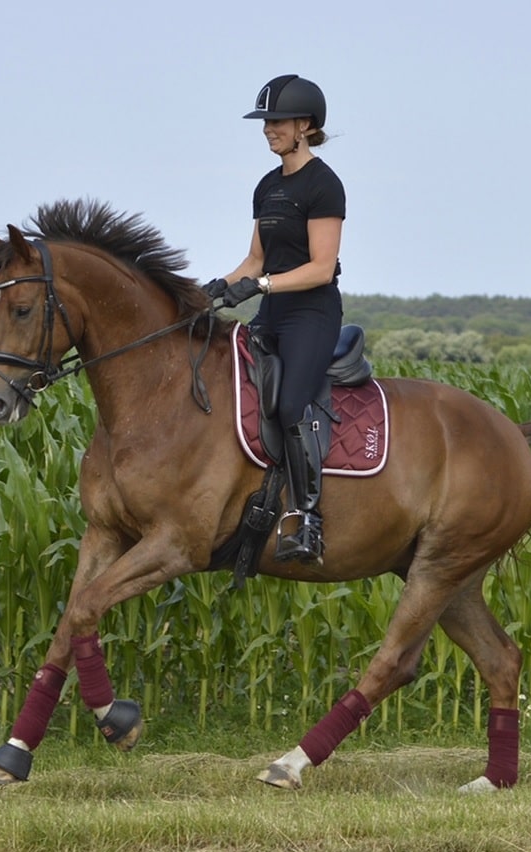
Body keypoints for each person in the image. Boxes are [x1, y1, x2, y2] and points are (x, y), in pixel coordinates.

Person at [204, 74, 345, 564]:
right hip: (273, 310)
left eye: (277, 121)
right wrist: (217, 289)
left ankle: (307, 518)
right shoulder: (267, 185)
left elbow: (321, 267)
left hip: (311, 313)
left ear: (304, 124)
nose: (268, 130)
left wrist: (261, 286)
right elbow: (255, 261)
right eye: (265, 122)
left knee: (288, 406)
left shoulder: (324, 184)